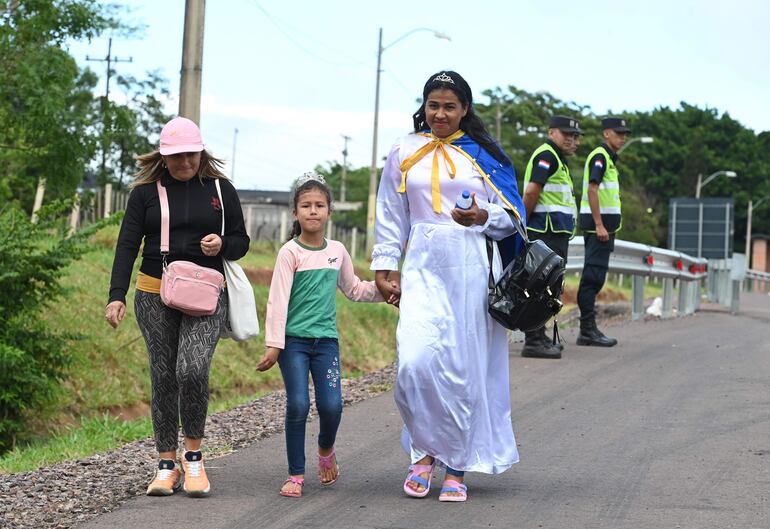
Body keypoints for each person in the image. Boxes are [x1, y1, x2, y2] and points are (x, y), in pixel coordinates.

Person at [372, 71, 526, 502]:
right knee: (414, 364)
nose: (440, 114)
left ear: (464, 110)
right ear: (423, 106)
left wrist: (482, 217)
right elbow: (390, 212)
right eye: (433, 105)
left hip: (470, 267)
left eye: (450, 106)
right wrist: (386, 264)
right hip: (422, 265)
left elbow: (513, 217)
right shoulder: (404, 150)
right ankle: (424, 450)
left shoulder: (483, 154)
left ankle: (456, 464)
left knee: (463, 370)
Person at [105, 116, 250, 497]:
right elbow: (126, 245)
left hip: (206, 294)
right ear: (163, 156)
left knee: (192, 368)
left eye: (191, 155)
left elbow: (241, 240)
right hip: (154, 293)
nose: (184, 163)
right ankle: (167, 464)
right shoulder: (144, 194)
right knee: (163, 375)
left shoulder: (221, 189)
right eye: (176, 157)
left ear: (201, 153)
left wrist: (222, 244)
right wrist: (116, 295)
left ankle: (195, 458)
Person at [257, 172, 398, 498]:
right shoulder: (290, 253)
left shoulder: (337, 250)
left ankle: (325, 449)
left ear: (329, 212)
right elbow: (276, 300)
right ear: (295, 212)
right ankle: (295, 474)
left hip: (326, 343)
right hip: (293, 343)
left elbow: (354, 289)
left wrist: (385, 292)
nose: (313, 211)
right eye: (305, 205)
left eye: (319, 205)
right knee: (298, 404)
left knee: (332, 406)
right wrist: (274, 345)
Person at [520, 115, 582, 359]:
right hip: (545, 232)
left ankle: (540, 335)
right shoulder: (547, 156)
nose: (572, 140)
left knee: (549, 288)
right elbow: (532, 191)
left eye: (576, 137)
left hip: (555, 232)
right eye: (567, 135)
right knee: (540, 287)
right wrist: (522, 223)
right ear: (551, 132)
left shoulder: (558, 159)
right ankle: (533, 340)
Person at [576, 117, 630, 347]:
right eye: (618, 133)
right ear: (606, 134)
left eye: (624, 133)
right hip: (599, 229)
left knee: (595, 276)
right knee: (593, 276)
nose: (623, 137)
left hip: (604, 228)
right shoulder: (600, 156)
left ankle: (588, 329)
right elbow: (592, 188)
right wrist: (599, 224)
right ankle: (587, 330)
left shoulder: (608, 158)